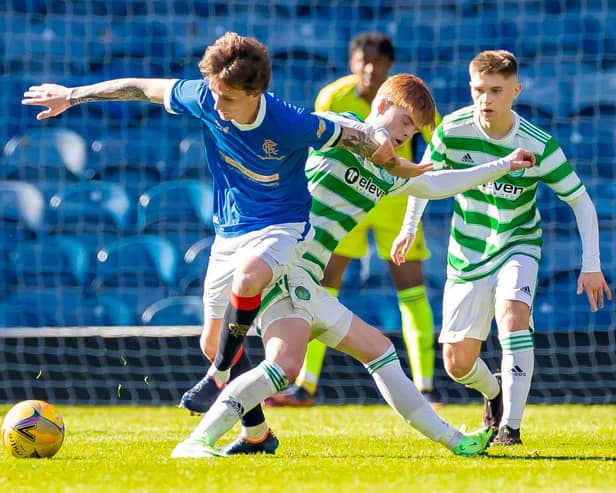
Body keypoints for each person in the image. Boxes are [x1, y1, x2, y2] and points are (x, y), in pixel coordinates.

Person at [22, 32, 405, 454]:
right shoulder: (206, 97)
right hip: (229, 231)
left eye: (228, 99)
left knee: (248, 285)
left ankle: (221, 373)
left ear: (256, 92)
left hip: (281, 226)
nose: (217, 107)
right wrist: (73, 95)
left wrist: (385, 151)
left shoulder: (289, 121)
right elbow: (142, 88)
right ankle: (257, 434)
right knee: (211, 340)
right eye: (215, 95)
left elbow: (347, 133)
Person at [169, 73, 537, 458]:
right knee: (293, 362)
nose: (408, 134)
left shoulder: (389, 173)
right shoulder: (341, 132)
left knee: (357, 354)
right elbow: (311, 129)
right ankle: (201, 438)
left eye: (415, 129)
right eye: (405, 121)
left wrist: (503, 165)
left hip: (304, 278)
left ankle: (455, 441)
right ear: (380, 107)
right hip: (282, 261)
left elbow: (441, 184)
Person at [391, 50, 612, 446]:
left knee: (513, 316)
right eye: (479, 90)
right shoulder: (451, 130)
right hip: (467, 253)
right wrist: (408, 228)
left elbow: (581, 200)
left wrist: (590, 265)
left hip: (518, 243)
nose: (486, 99)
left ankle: (510, 428)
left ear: (516, 91)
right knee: (457, 364)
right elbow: (423, 180)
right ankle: (493, 390)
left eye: (496, 90)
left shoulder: (538, 144)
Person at [269, 32, 442, 407]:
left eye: (378, 62)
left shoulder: (408, 102)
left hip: (391, 200)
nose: (370, 68)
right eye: (364, 60)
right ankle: (304, 386)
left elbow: (435, 147)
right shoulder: (334, 96)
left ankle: (426, 388)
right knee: (322, 282)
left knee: (411, 288)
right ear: (352, 62)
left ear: (389, 66)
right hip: (345, 199)